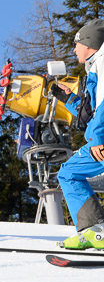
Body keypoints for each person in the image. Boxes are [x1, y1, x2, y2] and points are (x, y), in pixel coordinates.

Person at [52, 19, 104, 249]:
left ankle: (94, 232)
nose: (74, 49)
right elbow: (89, 114)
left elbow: (103, 106)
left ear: (89, 44)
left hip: (101, 140)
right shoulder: (95, 66)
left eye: (77, 44)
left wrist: (98, 139)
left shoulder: (102, 65)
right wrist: (67, 98)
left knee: (69, 174)